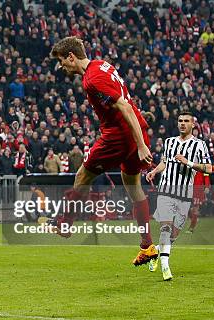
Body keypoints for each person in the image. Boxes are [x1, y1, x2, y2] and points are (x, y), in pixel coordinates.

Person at [50, 37, 157, 266]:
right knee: (133, 186)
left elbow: (124, 107)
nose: (62, 67)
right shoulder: (101, 64)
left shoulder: (92, 79)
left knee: (83, 175)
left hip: (118, 136)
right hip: (133, 129)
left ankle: (65, 223)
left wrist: (140, 145)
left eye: (62, 61)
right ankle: (147, 246)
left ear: (71, 56)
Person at [145, 111, 212, 281]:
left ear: (193, 125)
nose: (182, 123)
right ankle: (166, 267)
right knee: (165, 228)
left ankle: (155, 253)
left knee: (174, 234)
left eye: (186, 121)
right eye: (180, 121)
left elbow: (209, 168)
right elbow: (164, 162)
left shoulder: (199, 145)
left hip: (185, 193)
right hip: (166, 190)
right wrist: (154, 171)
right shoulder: (169, 142)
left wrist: (187, 162)